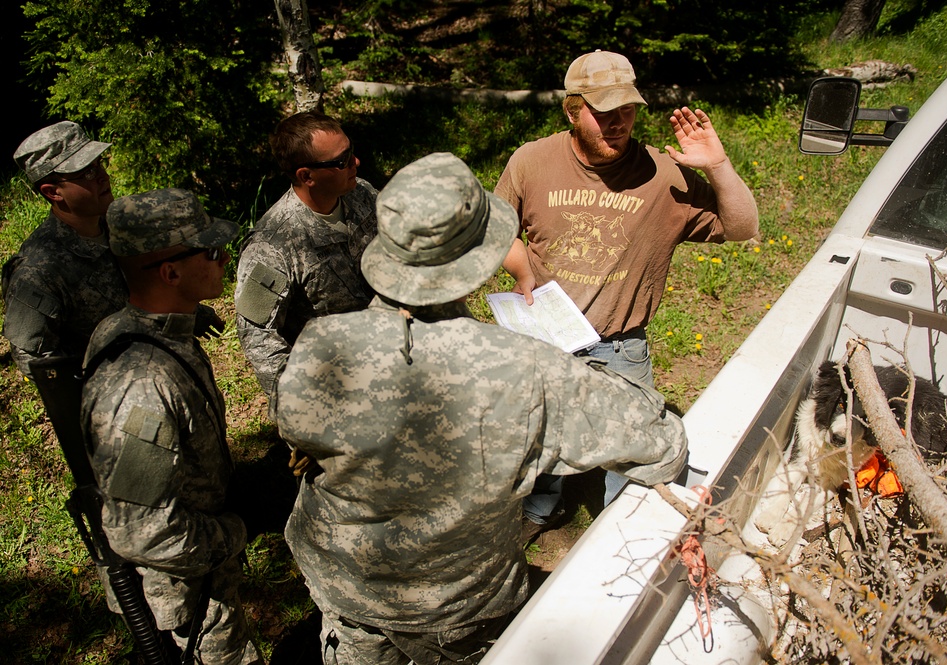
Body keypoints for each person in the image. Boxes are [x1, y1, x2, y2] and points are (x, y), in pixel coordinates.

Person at [277, 152, 689, 665]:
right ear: (479, 259)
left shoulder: (321, 345)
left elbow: (299, 438)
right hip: (462, 610)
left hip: (347, 593)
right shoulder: (525, 370)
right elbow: (661, 444)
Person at [495, 49, 759, 532]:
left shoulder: (663, 175)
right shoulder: (532, 161)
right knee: (540, 430)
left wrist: (718, 167)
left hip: (620, 345)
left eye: (628, 110)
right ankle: (543, 503)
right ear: (573, 110)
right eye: (602, 112)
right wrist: (523, 270)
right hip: (544, 337)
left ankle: (619, 536)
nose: (617, 123)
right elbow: (497, 230)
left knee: (633, 455)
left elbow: (742, 227)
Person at [81, 188, 262, 664]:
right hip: (185, 594)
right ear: (170, 271)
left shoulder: (149, 330)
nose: (225, 259)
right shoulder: (144, 386)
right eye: (212, 251)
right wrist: (235, 532)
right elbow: (140, 530)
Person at [234, 111, 378, 419]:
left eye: (350, 152)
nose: (355, 163)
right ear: (306, 176)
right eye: (342, 161)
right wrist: (303, 412)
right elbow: (258, 336)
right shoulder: (273, 245)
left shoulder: (361, 194)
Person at [2, 121, 127, 378]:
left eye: (99, 164)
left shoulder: (117, 224)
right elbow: (35, 361)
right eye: (87, 172)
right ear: (52, 192)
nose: (103, 176)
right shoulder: (38, 270)